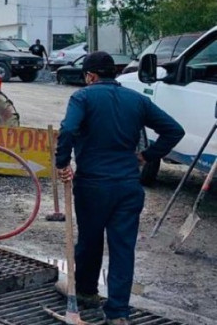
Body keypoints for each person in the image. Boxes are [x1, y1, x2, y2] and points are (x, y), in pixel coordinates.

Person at [55, 51, 184, 325]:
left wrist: (62, 162)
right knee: (122, 248)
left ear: (90, 76)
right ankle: (118, 314)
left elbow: (67, 130)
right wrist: (147, 155)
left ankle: (87, 292)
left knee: (90, 241)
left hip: (93, 185)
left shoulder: (83, 97)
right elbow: (174, 130)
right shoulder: (137, 100)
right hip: (128, 186)